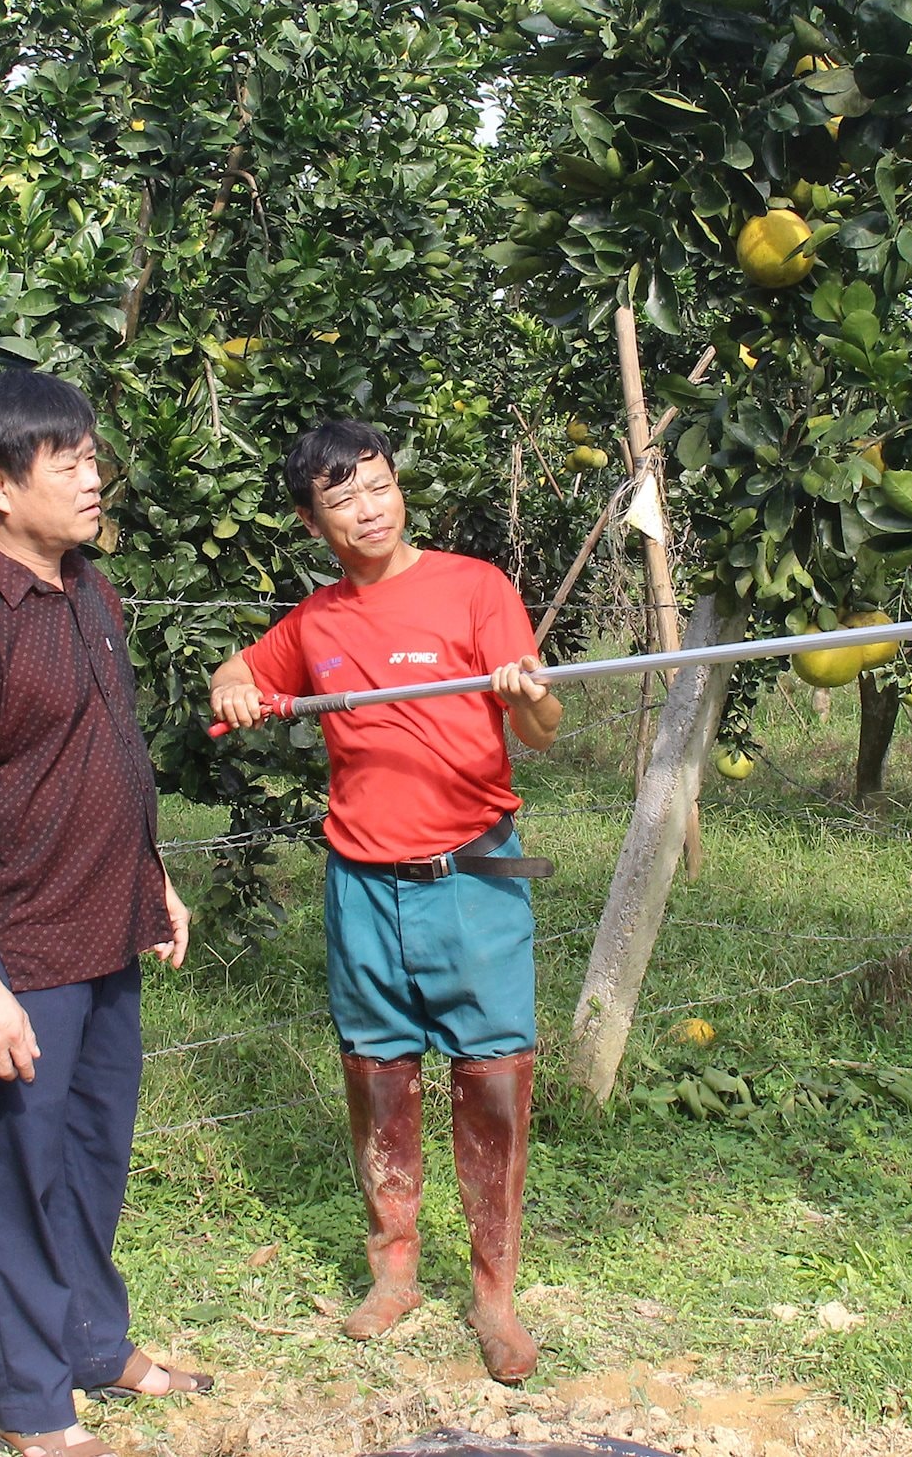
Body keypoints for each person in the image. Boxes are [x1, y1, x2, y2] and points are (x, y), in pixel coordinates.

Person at [0, 369, 210, 1457]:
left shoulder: (86, 588)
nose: (92, 475)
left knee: (88, 1158)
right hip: (14, 949)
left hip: (101, 925)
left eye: (91, 453)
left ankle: (90, 1344)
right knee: (15, 1181)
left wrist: (153, 877)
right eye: (65, 459)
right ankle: (26, 1403)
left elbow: (105, 748)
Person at [208, 420, 563, 1384]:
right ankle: (393, 1270)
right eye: (342, 498)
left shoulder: (475, 586)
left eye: (378, 485)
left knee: (494, 1076)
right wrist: (238, 685)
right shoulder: (316, 622)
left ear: (398, 485)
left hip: (480, 873)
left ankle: (494, 1295)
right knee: (376, 1072)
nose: (368, 509)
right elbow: (238, 671)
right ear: (310, 517)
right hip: (362, 880)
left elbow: (542, 728)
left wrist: (524, 692)